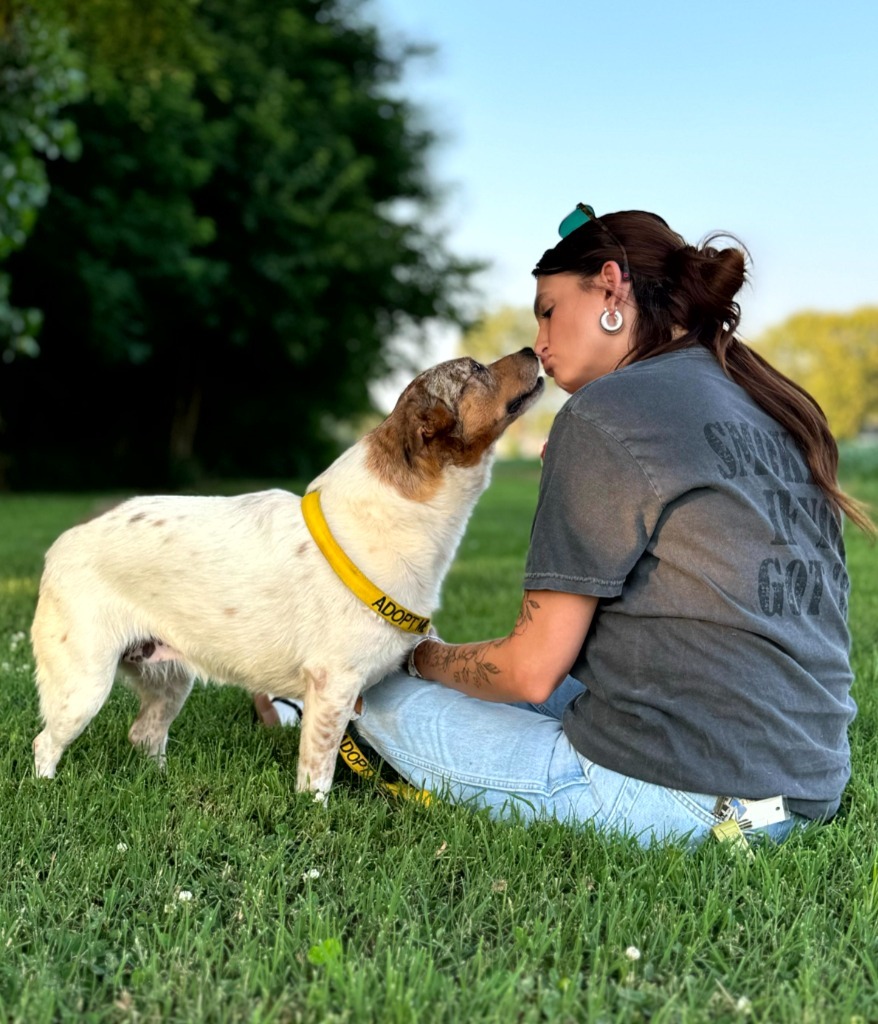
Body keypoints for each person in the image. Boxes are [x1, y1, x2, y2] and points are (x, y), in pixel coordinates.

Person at [258, 204, 872, 848]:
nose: (541, 343)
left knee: (366, 683)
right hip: (806, 788)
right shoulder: (768, 399)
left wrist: (424, 658)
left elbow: (530, 671)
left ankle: (294, 702)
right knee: (468, 684)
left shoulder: (608, 410)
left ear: (611, 287)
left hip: (684, 800)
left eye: (549, 310)